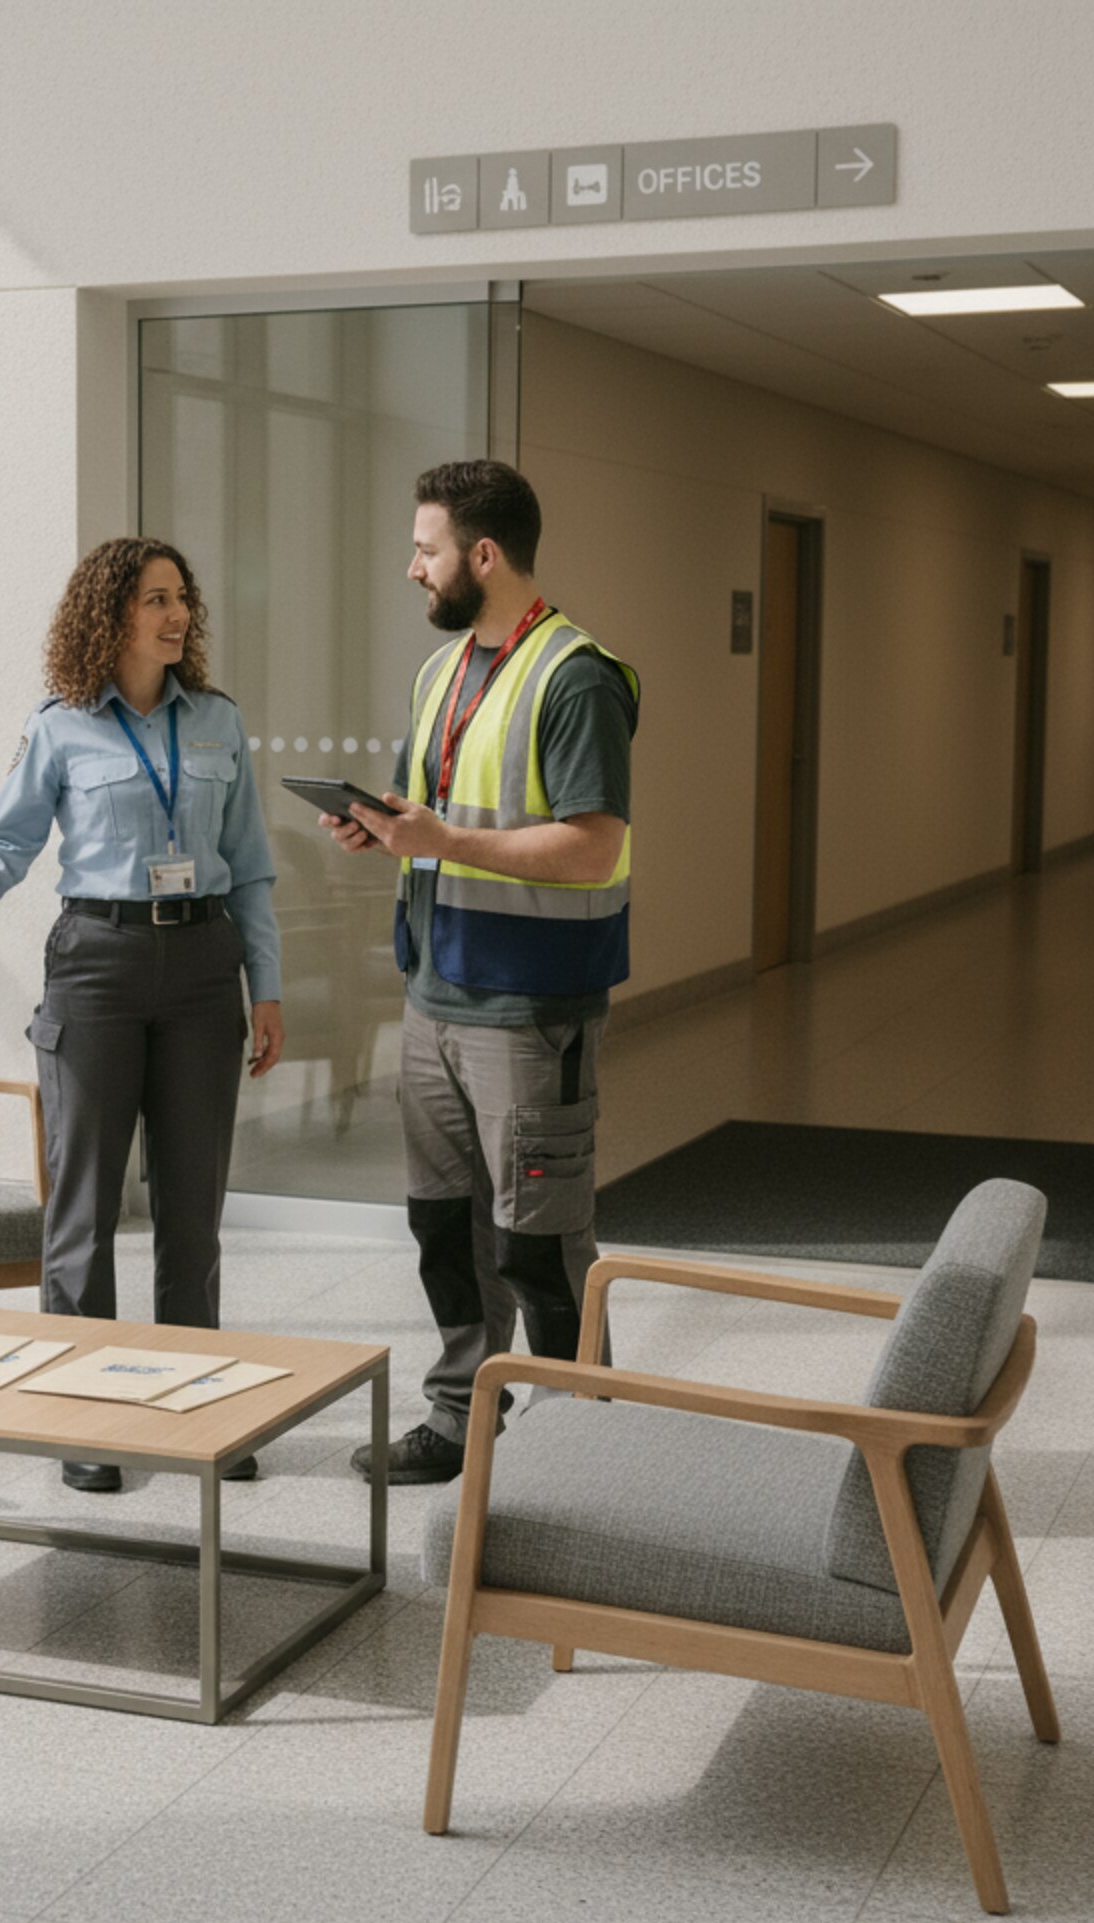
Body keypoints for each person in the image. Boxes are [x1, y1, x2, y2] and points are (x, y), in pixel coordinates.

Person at [0, 537, 284, 1492]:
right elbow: (4, 852)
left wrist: (266, 987)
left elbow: (251, 869)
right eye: (155, 600)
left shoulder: (218, 724)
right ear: (109, 614)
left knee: (192, 1211)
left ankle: (195, 1409)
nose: (176, 617)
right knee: (82, 1207)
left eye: (181, 600)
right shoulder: (62, 728)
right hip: (99, 967)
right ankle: (82, 1420)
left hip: (204, 970)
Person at [319, 460, 638, 1482]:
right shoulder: (442, 671)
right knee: (443, 1231)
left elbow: (591, 848)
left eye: (425, 548)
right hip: (435, 993)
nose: (411, 567)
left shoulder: (574, 675)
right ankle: (461, 1418)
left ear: (482, 554)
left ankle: (579, 1447)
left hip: (528, 1007)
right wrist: (385, 831)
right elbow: (439, 820)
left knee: (537, 1244)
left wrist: (440, 839)